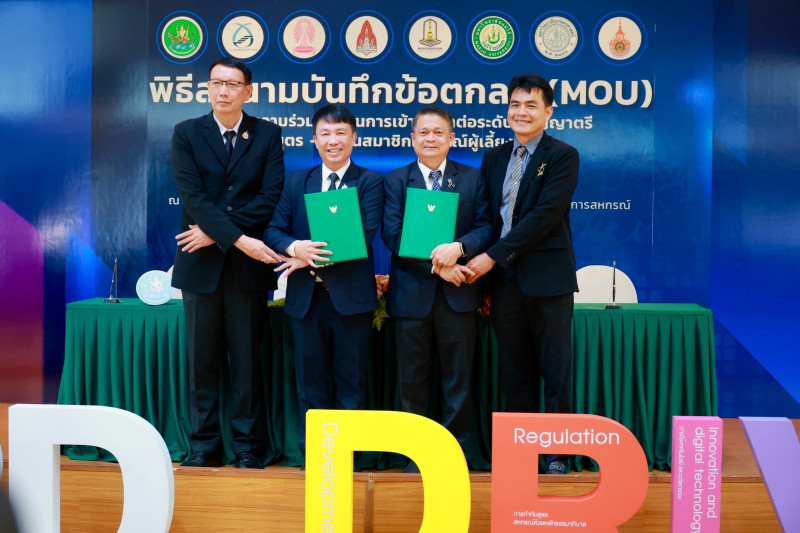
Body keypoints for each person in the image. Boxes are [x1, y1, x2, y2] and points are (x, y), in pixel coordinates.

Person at [171, 57, 285, 469]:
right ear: (208, 88)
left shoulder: (268, 134)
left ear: (248, 92)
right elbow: (193, 197)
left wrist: (216, 233)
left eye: (233, 84)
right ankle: (204, 445)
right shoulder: (186, 133)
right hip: (200, 265)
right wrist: (236, 238)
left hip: (246, 269)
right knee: (202, 362)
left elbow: (269, 196)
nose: (223, 91)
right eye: (216, 83)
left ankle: (248, 446)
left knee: (247, 362)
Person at [465, 74, 580, 474]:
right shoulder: (494, 157)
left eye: (531, 105)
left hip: (547, 280)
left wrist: (492, 257)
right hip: (504, 282)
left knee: (555, 371)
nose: (521, 112)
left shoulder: (563, 155)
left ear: (549, 112)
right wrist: (479, 264)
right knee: (515, 371)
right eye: (515, 104)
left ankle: (557, 455)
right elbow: (489, 219)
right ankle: (521, 453)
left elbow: (545, 216)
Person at [264, 104, 383, 468]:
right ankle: (315, 459)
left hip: (351, 300)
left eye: (341, 133)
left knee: (352, 384)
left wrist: (308, 257)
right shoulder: (297, 182)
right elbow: (274, 230)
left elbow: (363, 236)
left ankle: (350, 460)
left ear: (354, 138)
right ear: (314, 140)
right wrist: (293, 249)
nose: (333, 141)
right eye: (325, 134)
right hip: (307, 299)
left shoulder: (370, 182)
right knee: (310, 385)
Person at [382, 107, 493, 472]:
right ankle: (417, 457)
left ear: (451, 138)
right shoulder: (396, 180)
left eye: (438, 132)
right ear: (413, 138)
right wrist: (438, 267)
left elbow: (486, 227)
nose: (431, 138)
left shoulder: (473, 179)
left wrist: (459, 248)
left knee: (458, 380)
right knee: (412, 381)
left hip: (458, 298)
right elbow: (392, 234)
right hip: (411, 298)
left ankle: (454, 457)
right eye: (424, 132)